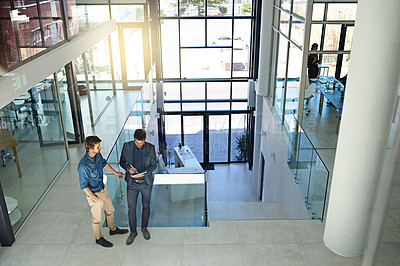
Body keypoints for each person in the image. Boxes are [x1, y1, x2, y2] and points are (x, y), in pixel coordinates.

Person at [78, 136, 129, 248]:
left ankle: (113, 229)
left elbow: (104, 163)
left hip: (102, 188)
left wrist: (115, 172)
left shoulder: (97, 155)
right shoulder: (83, 166)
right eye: (98, 147)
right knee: (97, 219)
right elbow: (83, 186)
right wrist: (95, 198)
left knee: (110, 210)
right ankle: (98, 238)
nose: (100, 148)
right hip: (93, 194)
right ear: (90, 149)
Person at [119, 129, 157, 245]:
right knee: (131, 208)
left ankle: (144, 228)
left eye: (140, 142)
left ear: (144, 140)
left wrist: (145, 172)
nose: (138, 144)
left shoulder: (150, 148)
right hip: (132, 183)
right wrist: (128, 168)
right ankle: (133, 232)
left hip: (145, 183)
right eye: (136, 142)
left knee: (146, 206)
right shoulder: (127, 146)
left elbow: (154, 164)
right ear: (134, 139)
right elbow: (122, 162)